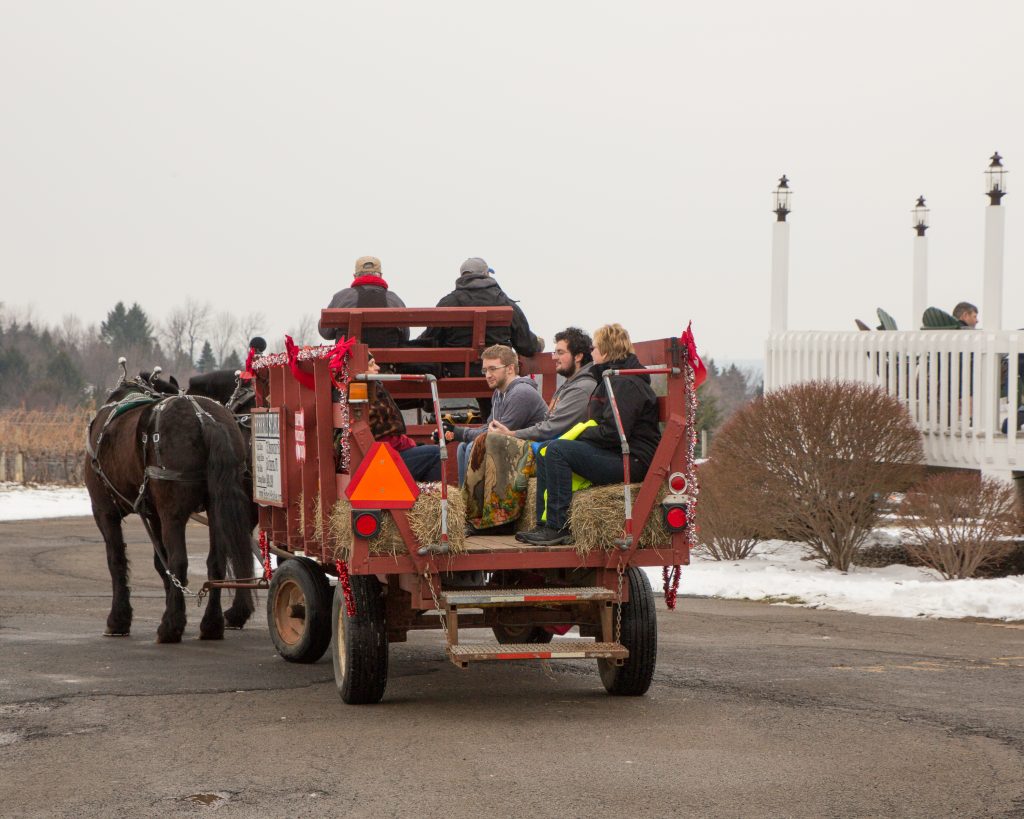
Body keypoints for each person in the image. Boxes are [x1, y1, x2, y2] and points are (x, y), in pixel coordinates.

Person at [519, 323, 661, 546]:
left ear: (606, 350)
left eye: (595, 347)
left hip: (631, 459)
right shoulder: (610, 379)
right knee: (547, 449)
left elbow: (614, 433)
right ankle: (544, 525)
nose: (591, 352)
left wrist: (581, 433)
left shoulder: (624, 383)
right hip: (616, 452)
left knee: (556, 450)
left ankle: (559, 528)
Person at [464, 327, 597, 534]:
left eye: (560, 352)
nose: (554, 357)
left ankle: (500, 522)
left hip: (560, 451)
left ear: (578, 356)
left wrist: (513, 435)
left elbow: (551, 429)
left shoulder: (581, 388)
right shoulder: (569, 385)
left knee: (497, 443)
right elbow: (548, 422)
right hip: (549, 446)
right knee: (485, 441)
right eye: (554, 352)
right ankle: (472, 514)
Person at [401, 344, 548, 487]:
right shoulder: (499, 393)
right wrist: (452, 432)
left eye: (493, 369)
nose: (488, 375)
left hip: (535, 455)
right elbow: (489, 428)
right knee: (463, 447)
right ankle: (466, 500)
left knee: (472, 446)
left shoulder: (521, 393)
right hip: (516, 449)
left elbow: (495, 435)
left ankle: (474, 504)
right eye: (485, 370)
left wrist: (457, 432)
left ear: (510, 369)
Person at [318, 256, 410, 349]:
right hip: (388, 362)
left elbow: (326, 333)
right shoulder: (395, 299)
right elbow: (405, 337)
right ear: (381, 276)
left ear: (354, 276)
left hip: (348, 361)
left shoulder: (341, 297)